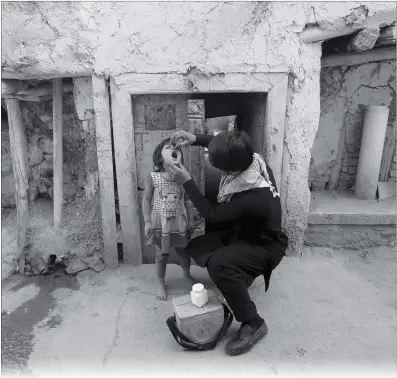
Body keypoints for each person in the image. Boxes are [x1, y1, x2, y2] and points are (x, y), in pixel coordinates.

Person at [167, 129, 288, 356]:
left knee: (218, 264)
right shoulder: (253, 159)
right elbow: (226, 144)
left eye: (214, 161)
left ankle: (253, 322)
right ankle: (241, 276)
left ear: (229, 169)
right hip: (248, 233)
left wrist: (187, 182)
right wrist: (195, 139)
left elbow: (211, 214)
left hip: (266, 246)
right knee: (198, 247)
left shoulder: (251, 196)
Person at [142, 138, 197, 301]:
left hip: (180, 221)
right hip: (161, 222)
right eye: (168, 148)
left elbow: (187, 199)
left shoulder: (183, 177)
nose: (174, 150)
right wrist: (147, 222)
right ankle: (161, 283)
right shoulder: (154, 177)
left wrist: (192, 219)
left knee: (183, 251)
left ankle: (187, 275)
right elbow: (146, 200)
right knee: (162, 255)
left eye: (176, 149)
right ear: (160, 157)